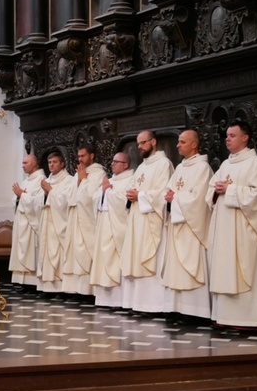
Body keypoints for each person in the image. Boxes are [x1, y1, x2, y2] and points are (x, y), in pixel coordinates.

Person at [206, 120, 257, 328]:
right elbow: (211, 193)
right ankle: (223, 317)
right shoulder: (225, 164)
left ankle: (244, 319)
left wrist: (229, 191)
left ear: (245, 138)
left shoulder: (255, 164)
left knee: (243, 270)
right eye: (227, 136)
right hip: (224, 229)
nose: (227, 139)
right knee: (223, 269)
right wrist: (214, 191)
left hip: (243, 229)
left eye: (232, 135)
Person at [161, 130, 213, 321]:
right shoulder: (180, 168)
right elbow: (170, 190)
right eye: (178, 141)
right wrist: (168, 198)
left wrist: (175, 198)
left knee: (192, 266)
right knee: (176, 268)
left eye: (182, 142)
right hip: (177, 225)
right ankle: (175, 308)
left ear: (194, 145)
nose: (178, 145)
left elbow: (199, 200)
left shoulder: (203, 168)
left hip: (192, 228)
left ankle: (195, 311)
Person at [120, 130, 174, 312]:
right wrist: (130, 194)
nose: (140, 147)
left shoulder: (164, 164)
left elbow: (163, 193)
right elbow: (133, 187)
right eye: (138, 143)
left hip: (152, 222)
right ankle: (138, 303)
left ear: (153, 142)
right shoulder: (142, 167)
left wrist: (140, 195)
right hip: (138, 220)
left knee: (152, 259)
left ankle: (155, 305)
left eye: (143, 143)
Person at [90, 152, 134, 307]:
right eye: (112, 161)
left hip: (118, 226)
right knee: (103, 256)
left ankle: (119, 299)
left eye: (116, 161)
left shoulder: (130, 179)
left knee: (115, 258)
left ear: (126, 165)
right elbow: (95, 198)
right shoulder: (109, 180)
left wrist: (108, 192)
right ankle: (104, 299)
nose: (112, 164)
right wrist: (103, 191)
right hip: (104, 224)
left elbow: (126, 201)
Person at [62, 143, 106, 295]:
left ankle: (88, 290)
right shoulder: (78, 173)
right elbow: (69, 195)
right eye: (78, 156)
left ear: (91, 155)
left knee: (86, 252)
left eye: (83, 156)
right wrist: (80, 180)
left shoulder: (99, 174)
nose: (80, 159)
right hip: (75, 217)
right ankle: (74, 289)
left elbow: (92, 197)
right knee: (73, 252)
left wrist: (84, 180)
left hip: (87, 220)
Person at [36, 151, 74, 294]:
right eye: (49, 162)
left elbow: (66, 201)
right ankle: (47, 287)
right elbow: (40, 201)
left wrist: (51, 192)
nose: (51, 165)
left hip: (59, 223)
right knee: (47, 252)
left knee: (58, 252)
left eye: (55, 162)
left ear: (62, 164)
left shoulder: (69, 181)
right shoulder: (48, 180)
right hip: (47, 222)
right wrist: (46, 195)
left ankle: (60, 287)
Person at [8, 154, 46, 286]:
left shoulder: (41, 180)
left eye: (25, 163)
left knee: (30, 250)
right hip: (21, 221)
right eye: (22, 163)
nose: (22, 166)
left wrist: (22, 195)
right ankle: (21, 281)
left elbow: (39, 203)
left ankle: (32, 282)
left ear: (34, 163)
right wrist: (19, 197)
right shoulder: (26, 180)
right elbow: (16, 200)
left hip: (31, 223)